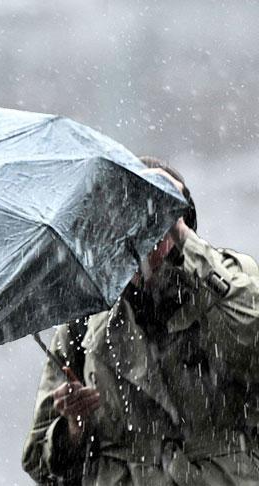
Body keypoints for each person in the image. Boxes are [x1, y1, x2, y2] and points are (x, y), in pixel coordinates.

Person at [22, 156, 259, 485]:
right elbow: (40, 463)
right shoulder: (85, 317)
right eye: (125, 224)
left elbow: (251, 328)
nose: (142, 242)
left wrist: (180, 229)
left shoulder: (227, 284)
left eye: (155, 226)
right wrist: (74, 428)